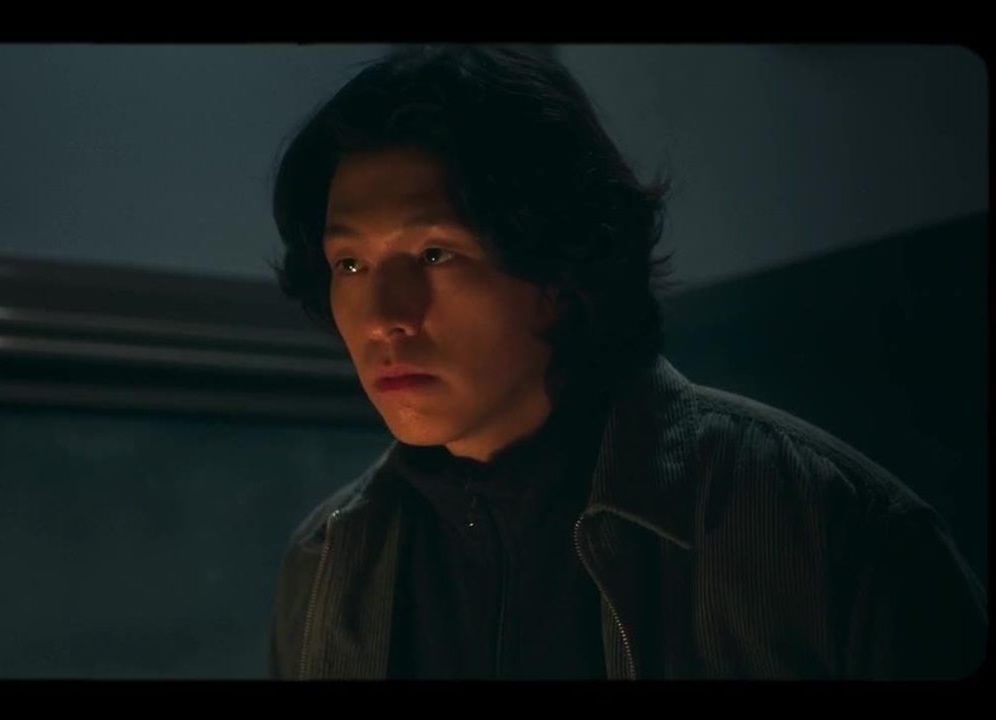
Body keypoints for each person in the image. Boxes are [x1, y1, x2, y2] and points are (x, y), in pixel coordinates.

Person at [265, 44, 987, 680]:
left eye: (434, 254)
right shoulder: (329, 560)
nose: (384, 316)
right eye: (350, 263)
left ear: (556, 273)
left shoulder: (824, 527)